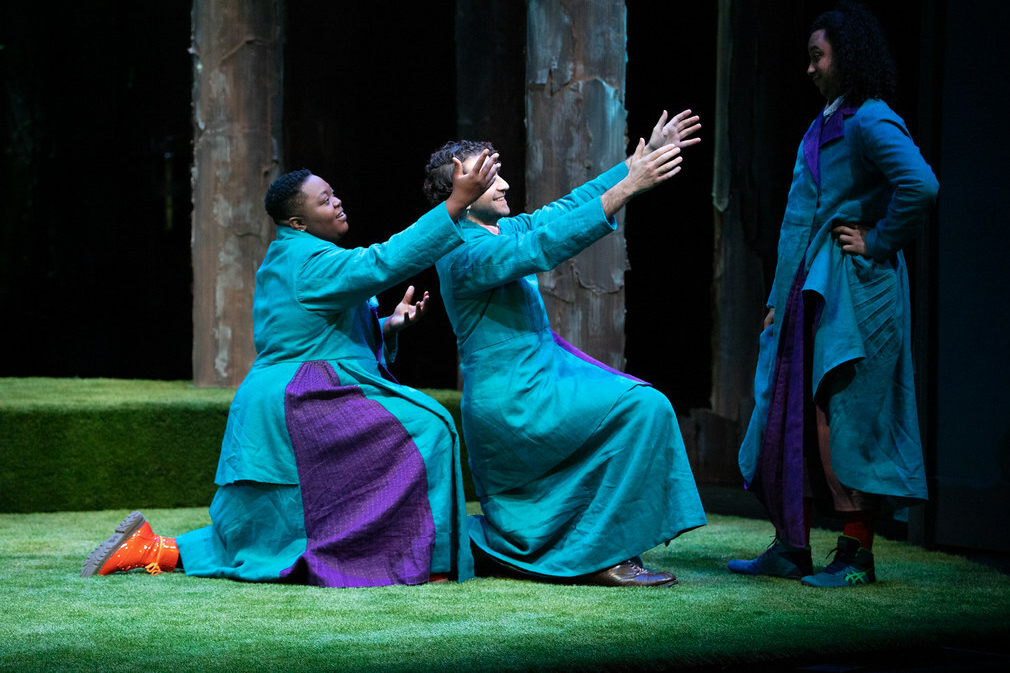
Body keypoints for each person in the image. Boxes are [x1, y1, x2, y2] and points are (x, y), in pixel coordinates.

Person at [82, 153, 499, 587]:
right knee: (427, 427)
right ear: (298, 221)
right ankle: (422, 560)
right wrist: (455, 204)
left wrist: (385, 326)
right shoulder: (309, 261)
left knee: (275, 522)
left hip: (282, 396)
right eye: (324, 201)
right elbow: (382, 262)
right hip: (304, 396)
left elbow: (304, 330)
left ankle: (154, 548)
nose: (337, 202)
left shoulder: (290, 256)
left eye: (334, 194)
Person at [422, 111, 708, 588]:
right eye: (490, 176)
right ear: (462, 192)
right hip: (514, 398)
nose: (505, 183)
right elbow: (544, 246)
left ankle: (593, 544)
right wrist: (627, 190)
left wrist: (640, 161)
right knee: (643, 407)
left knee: (637, 405)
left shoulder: (497, 230)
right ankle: (603, 555)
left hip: (541, 376)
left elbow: (565, 209)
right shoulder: (459, 252)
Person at [729, 0, 938, 588]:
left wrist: (877, 240)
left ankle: (856, 555)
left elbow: (920, 185)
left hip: (853, 290)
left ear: (845, 57)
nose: (811, 67)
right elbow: (798, 219)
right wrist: (776, 297)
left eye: (818, 56)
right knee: (788, 412)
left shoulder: (871, 119)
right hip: (809, 290)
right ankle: (790, 545)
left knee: (839, 414)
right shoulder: (827, 121)